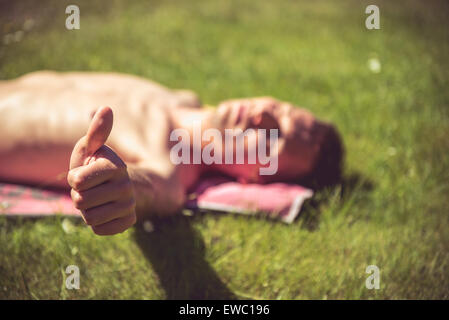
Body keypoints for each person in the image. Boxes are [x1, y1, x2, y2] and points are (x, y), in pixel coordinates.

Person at [0, 71, 343, 235]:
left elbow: (154, 189)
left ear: (254, 176)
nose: (261, 116)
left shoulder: (173, 164)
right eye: (280, 109)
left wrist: (119, 186)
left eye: (272, 137)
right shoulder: (182, 98)